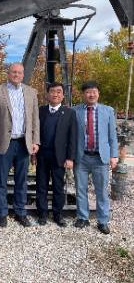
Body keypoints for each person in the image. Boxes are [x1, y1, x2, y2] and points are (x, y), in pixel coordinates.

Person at [0, 62, 39, 228]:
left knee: (21, 180)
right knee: (1, 180)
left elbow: (35, 119)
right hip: (4, 143)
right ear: (8, 74)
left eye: (19, 72)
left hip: (24, 143)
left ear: (23, 74)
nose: (16, 75)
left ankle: (20, 212)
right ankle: (2, 213)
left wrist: (35, 141)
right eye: (13, 72)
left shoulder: (31, 93)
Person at [73, 81, 118, 234]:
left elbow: (113, 136)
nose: (91, 94)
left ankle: (103, 221)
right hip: (81, 157)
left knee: (101, 191)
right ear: (83, 94)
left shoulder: (108, 111)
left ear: (98, 93)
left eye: (94, 91)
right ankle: (82, 217)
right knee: (80, 189)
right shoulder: (75, 111)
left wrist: (114, 155)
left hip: (101, 158)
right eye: (88, 92)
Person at [35, 82, 77, 227]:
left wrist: (70, 158)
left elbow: (73, 137)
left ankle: (58, 215)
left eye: (59, 92)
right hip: (42, 155)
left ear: (63, 95)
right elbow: (35, 132)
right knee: (41, 185)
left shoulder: (70, 113)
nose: (55, 94)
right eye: (52, 91)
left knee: (58, 186)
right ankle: (42, 214)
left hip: (60, 156)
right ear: (47, 94)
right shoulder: (40, 111)